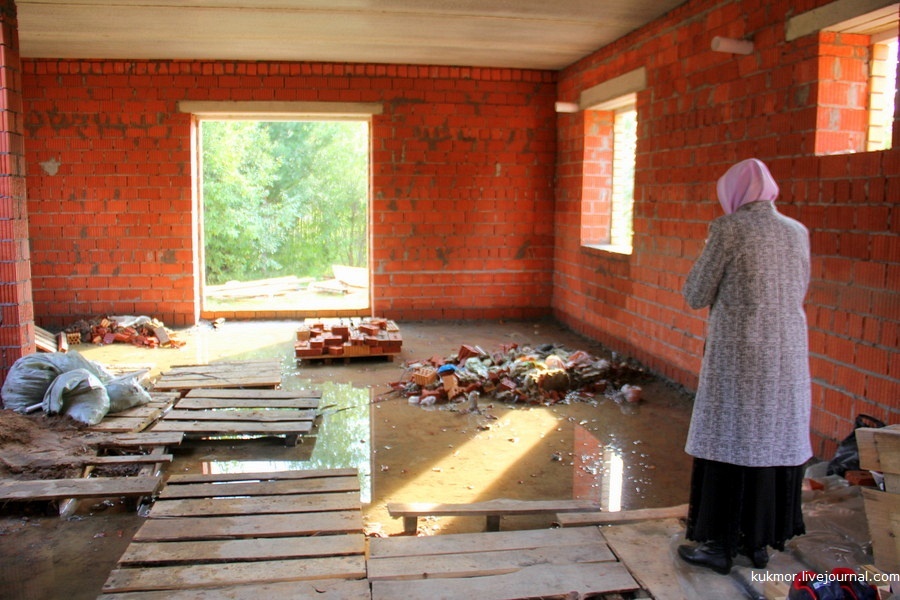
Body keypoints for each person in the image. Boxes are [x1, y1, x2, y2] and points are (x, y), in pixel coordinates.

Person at [678, 158, 812, 575]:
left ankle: (718, 545)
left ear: (733, 193)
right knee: (770, 439)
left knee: (731, 439)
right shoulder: (797, 231)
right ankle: (757, 544)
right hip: (788, 354)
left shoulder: (727, 228)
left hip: (741, 354)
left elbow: (696, 293)